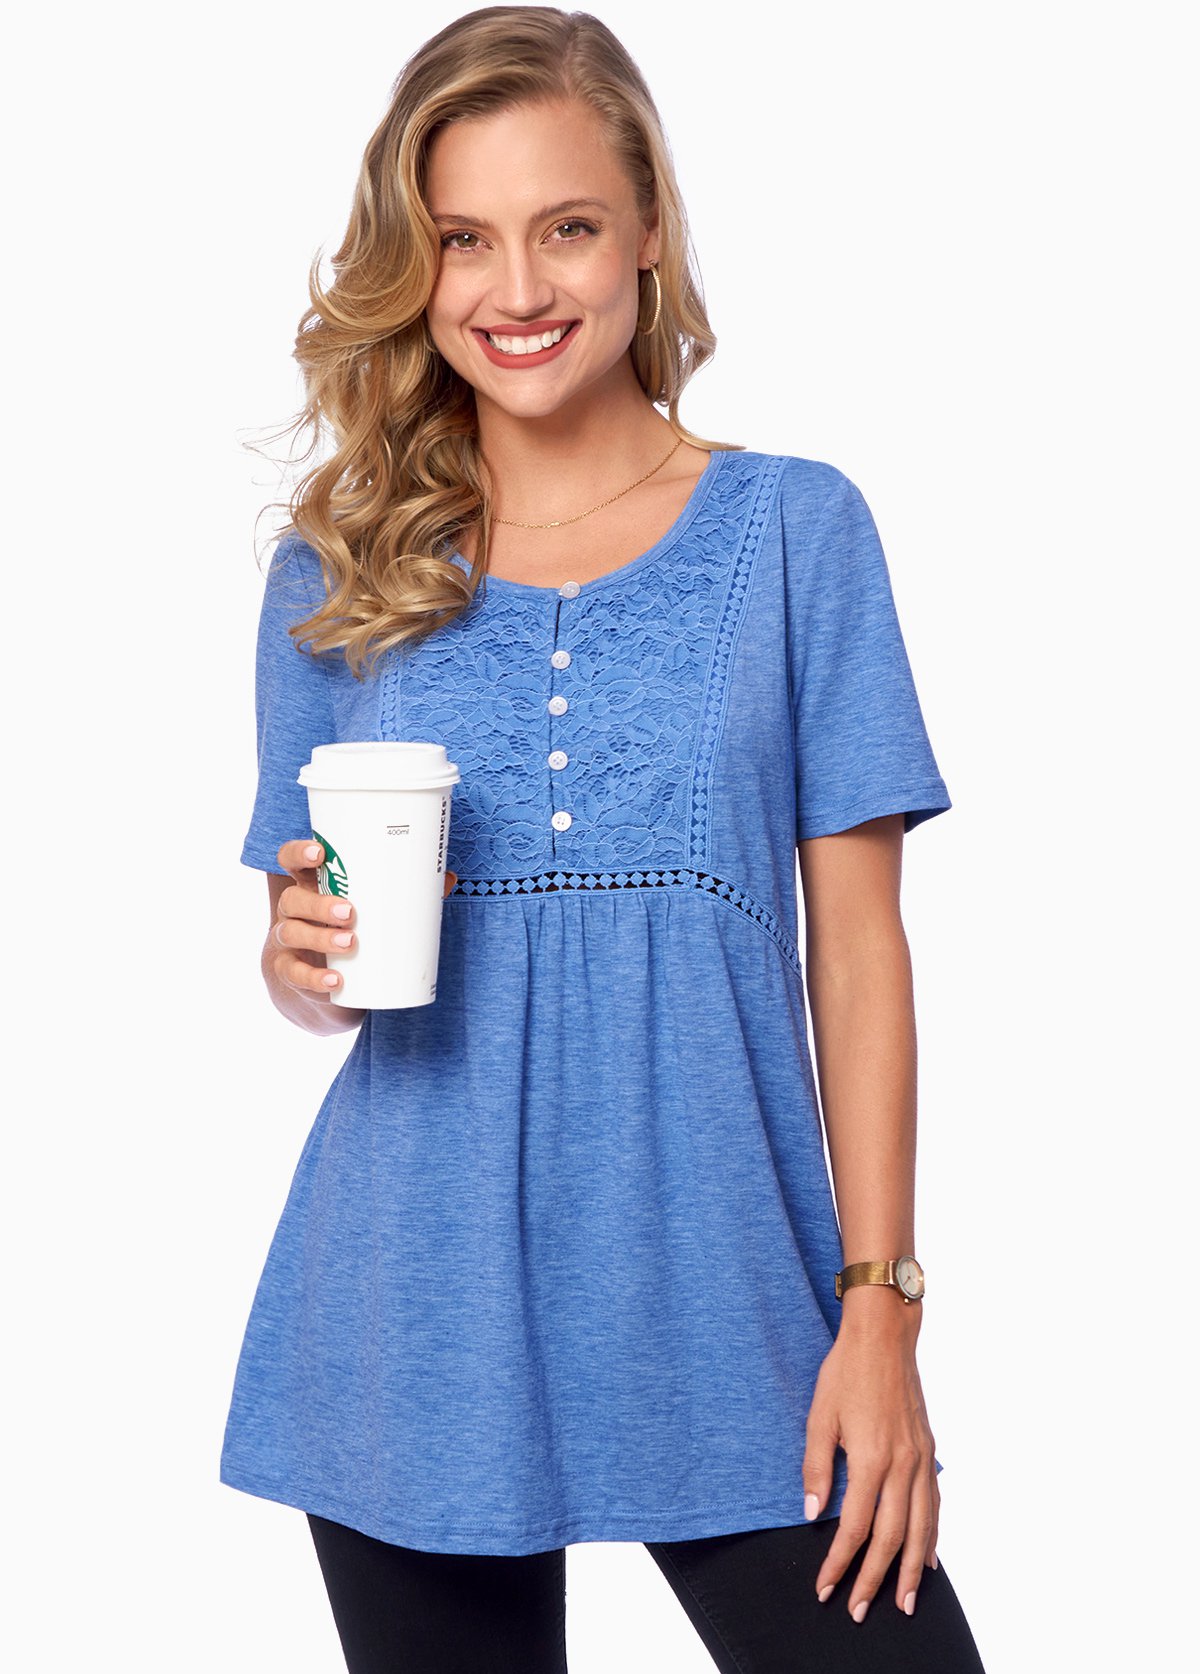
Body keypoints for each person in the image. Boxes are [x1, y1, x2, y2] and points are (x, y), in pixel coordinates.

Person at [221, 7, 987, 1670]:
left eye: (565, 225)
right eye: (462, 239)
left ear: (646, 230)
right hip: (412, 1322)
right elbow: (314, 975)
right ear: (414, 265)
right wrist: (299, 962)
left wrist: (882, 1307)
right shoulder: (338, 572)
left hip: (736, 1300)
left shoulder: (796, 533)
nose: (517, 287)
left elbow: (861, 948)